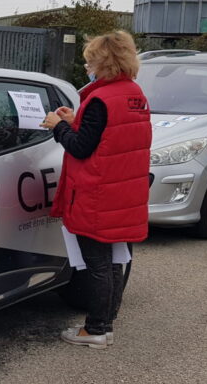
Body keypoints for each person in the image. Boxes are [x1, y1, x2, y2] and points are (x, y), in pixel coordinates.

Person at [40, 31, 152, 349]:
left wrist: (57, 127)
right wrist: (77, 119)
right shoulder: (134, 94)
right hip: (124, 191)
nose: (87, 66)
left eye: (90, 60)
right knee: (114, 260)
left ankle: (96, 329)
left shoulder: (101, 99)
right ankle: (106, 323)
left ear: (103, 63)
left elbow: (81, 147)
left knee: (98, 264)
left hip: (98, 193)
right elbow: (109, 137)